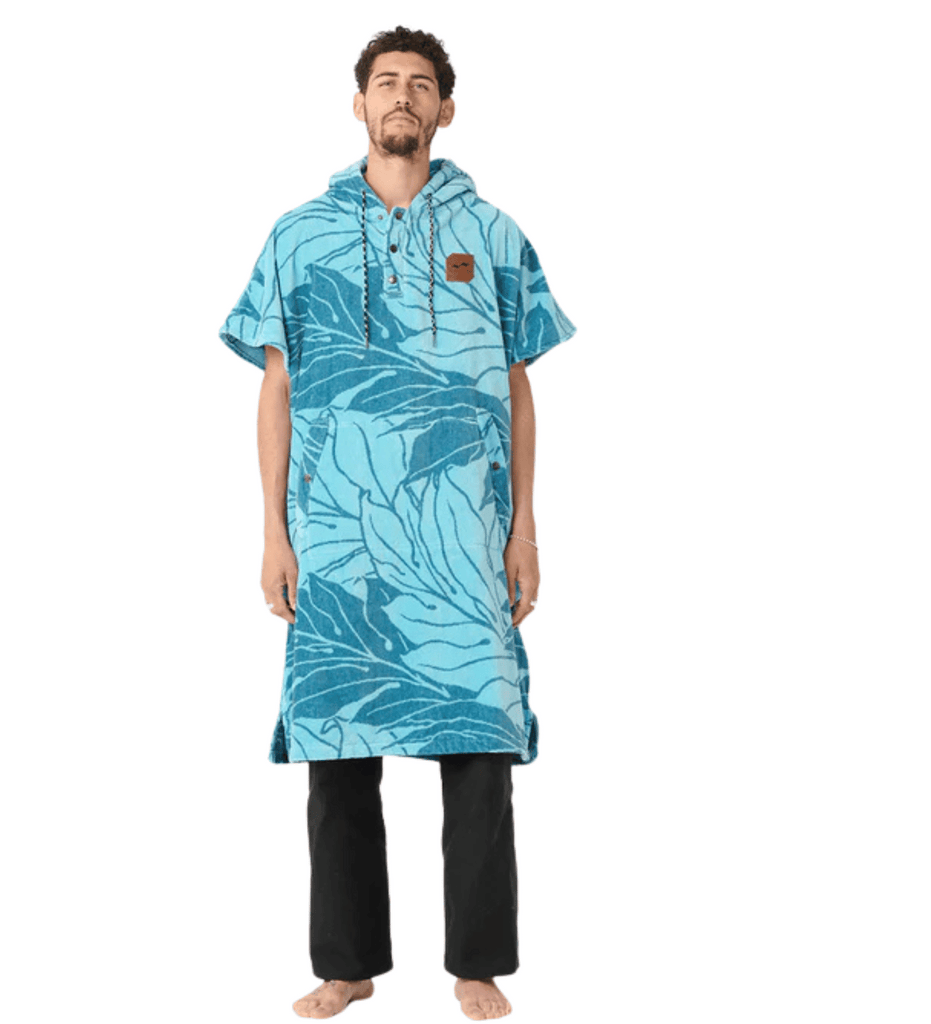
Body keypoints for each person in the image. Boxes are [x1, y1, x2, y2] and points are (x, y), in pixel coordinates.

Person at [218, 25, 577, 1021]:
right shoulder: (299, 235)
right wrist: (273, 531)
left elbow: (517, 388)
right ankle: (348, 964)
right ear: (359, 105)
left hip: (465, 537)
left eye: (421, 84)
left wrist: (525, 529)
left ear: (445, 110)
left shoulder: (493, 233)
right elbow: (275, 387)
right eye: (386, 82)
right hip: (336, 534)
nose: (403, 96)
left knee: (480, 751)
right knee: (336, 754)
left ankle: (476, 965)